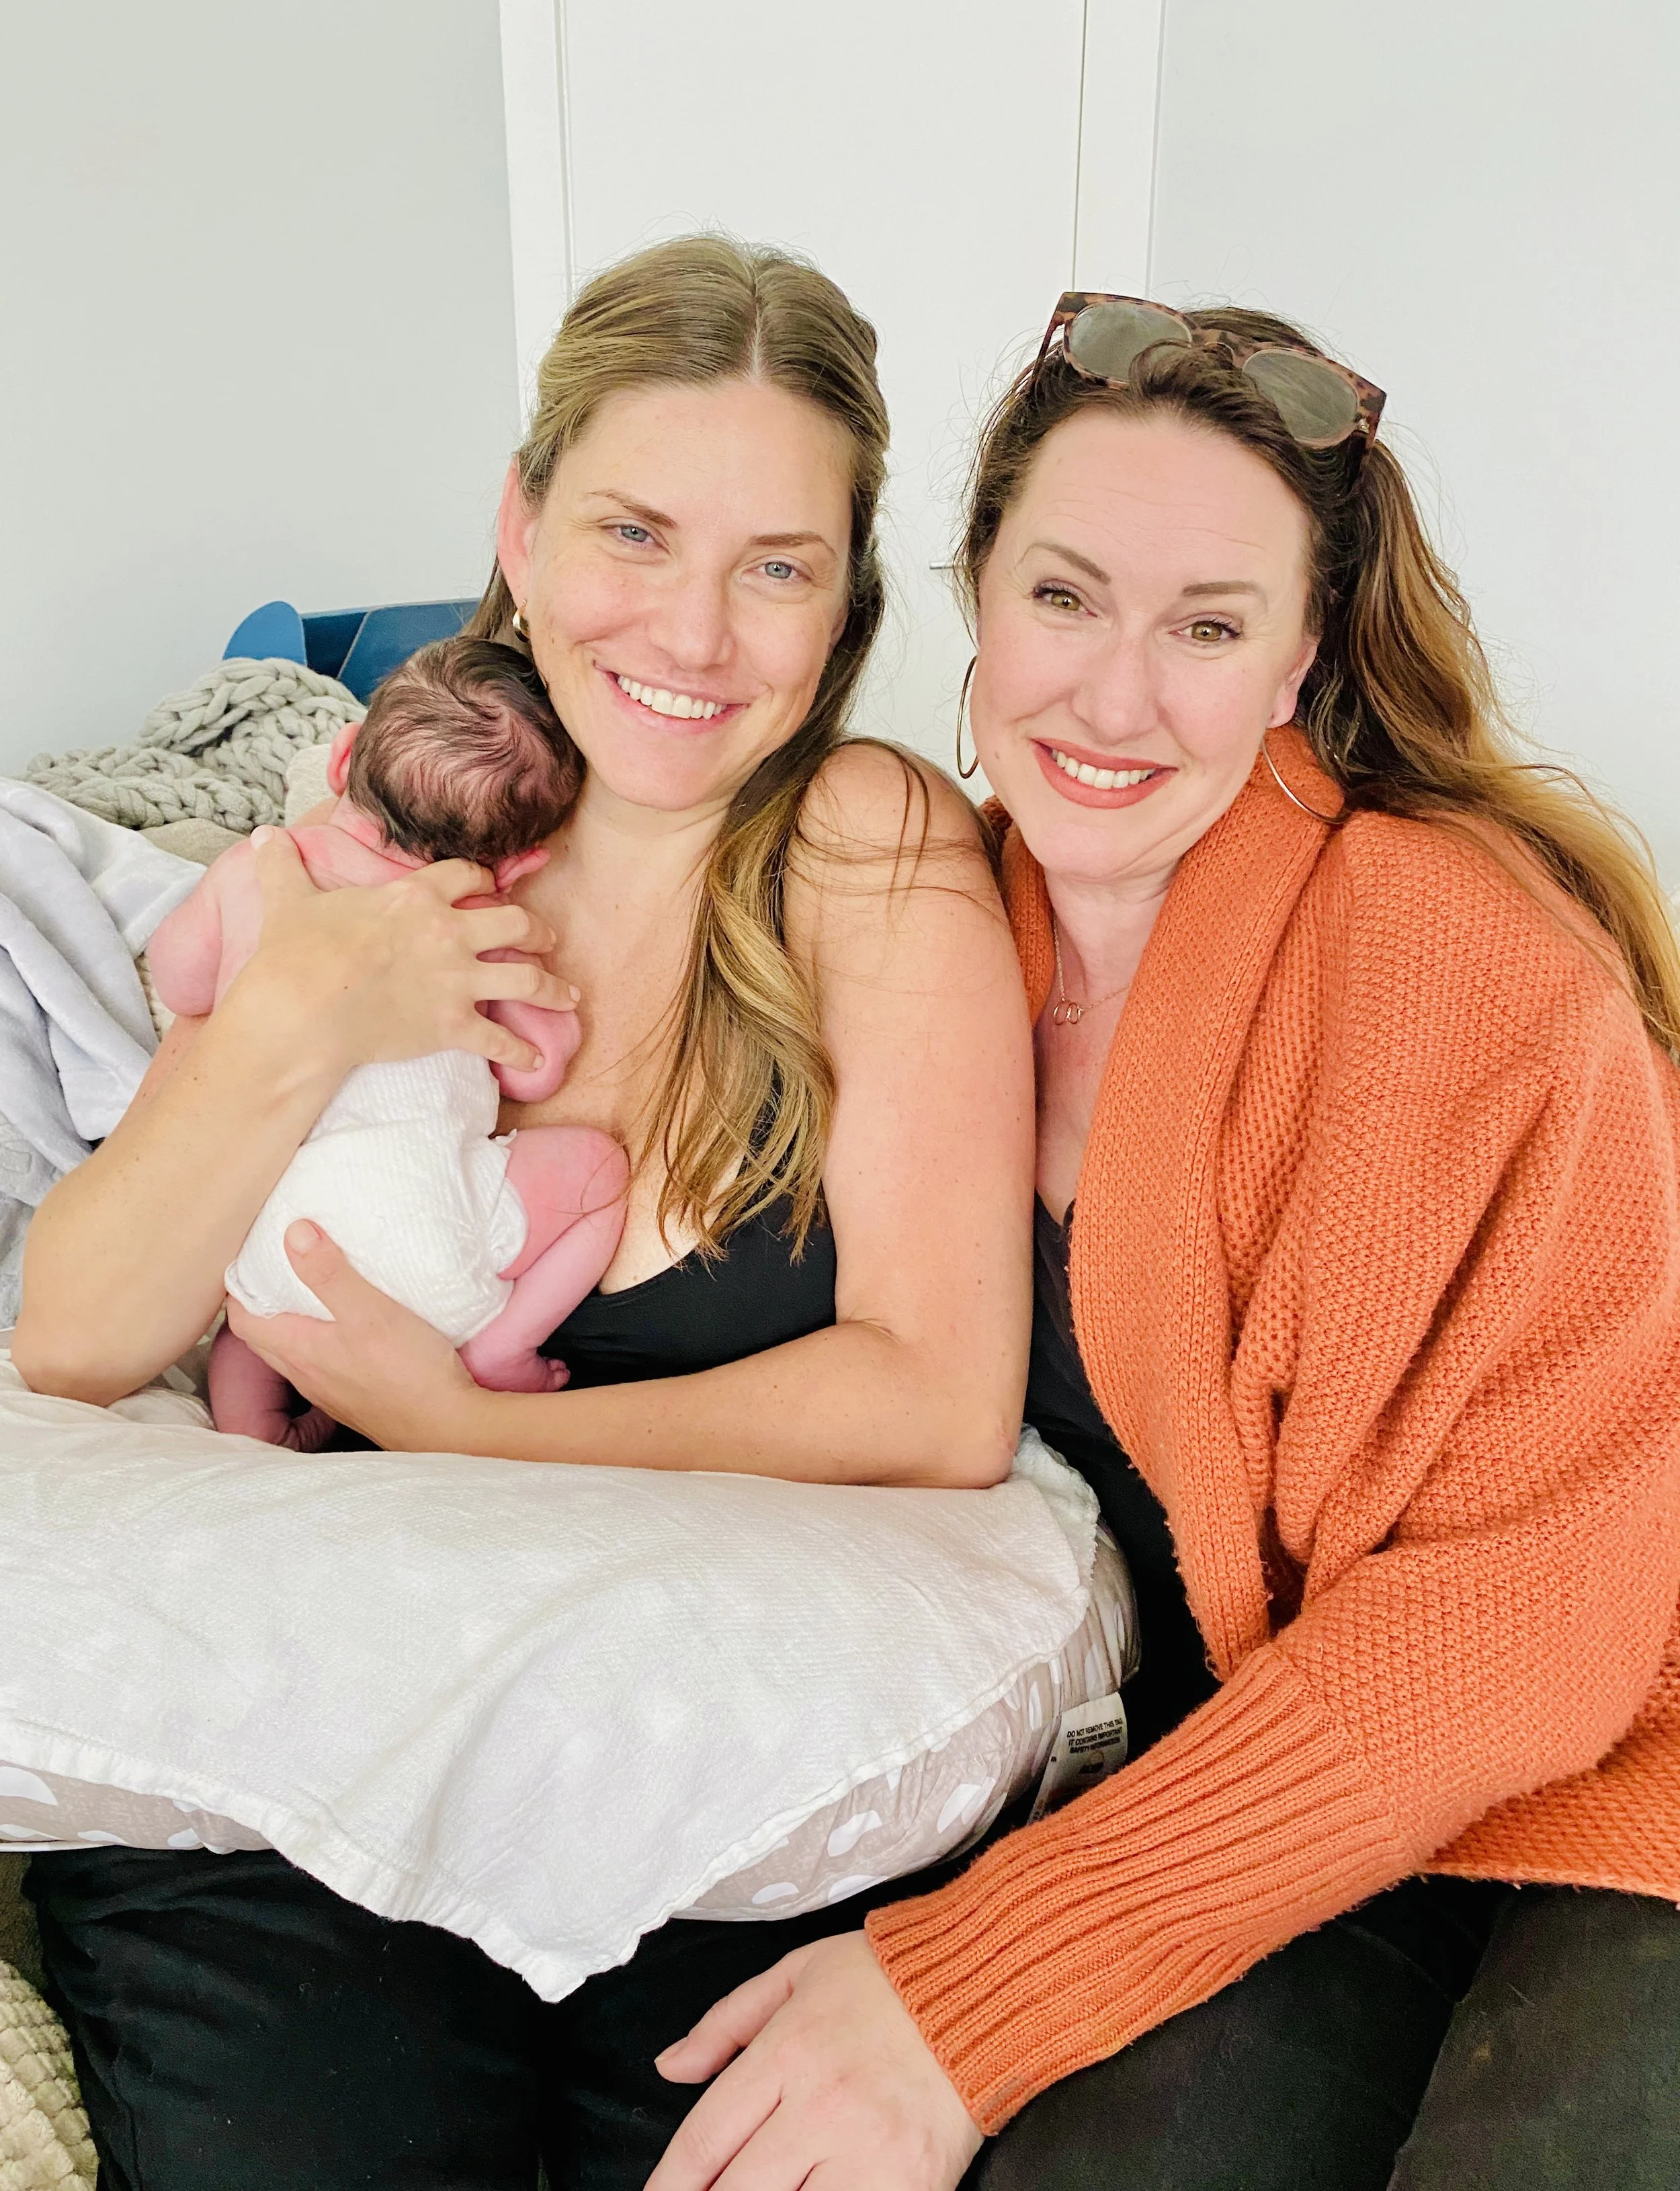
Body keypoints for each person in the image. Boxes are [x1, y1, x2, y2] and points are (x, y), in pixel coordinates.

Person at [13, 235, 1034, 2190]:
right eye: (634, 532)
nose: (695, 633)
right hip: (295, 1793)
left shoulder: (860, 846)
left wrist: (471, 1421)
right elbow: (76, 1335)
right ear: (518, 516)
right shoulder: (398, 820)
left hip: (705, 1781)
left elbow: (931, 1394)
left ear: (849, 598)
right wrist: (310, 1008)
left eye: (775, 567)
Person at [641, 296, 1680, 2190]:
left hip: (1614, 1759)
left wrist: (976, 1984)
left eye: (1203, 627)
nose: (1111, 699)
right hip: (1282, 1788)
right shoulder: (926, 921)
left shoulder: (1463, 966)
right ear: (974, 594)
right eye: (1063, 598)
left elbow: (1528, 1625)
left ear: (1295, 658)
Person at [149, 634, 630, 1450]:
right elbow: (541, 1070)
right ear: (514, 865)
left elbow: (179, 982)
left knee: (245, 1326)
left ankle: (251, 1431)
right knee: (599, 1177)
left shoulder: (262, 864)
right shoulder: (474, 926)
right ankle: (504, 1345)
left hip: (270, 1253)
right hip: (430, 1241)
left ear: (339, 762)